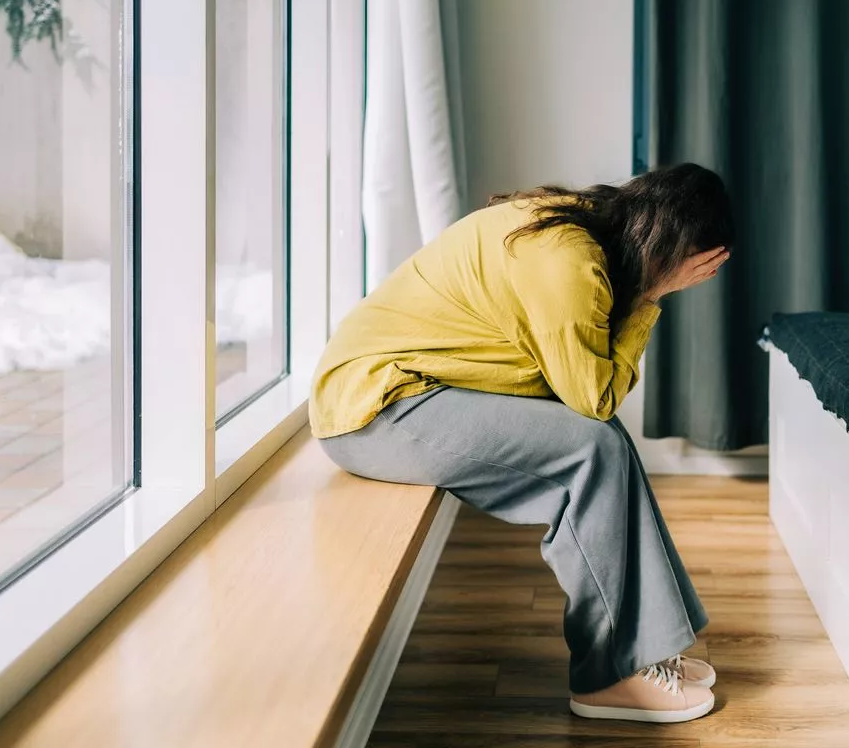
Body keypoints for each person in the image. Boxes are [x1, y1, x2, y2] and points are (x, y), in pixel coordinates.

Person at [310, 163, 734, 724]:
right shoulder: (568, 262)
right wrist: (651, 296)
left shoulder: (573, 226)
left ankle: (644, 649)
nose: (693, 278)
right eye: (692, 267)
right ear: (667, 247)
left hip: (404, 391)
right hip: (375, 408)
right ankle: (606, 676)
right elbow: (594, 397)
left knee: (605, 442)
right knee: (594, 448)